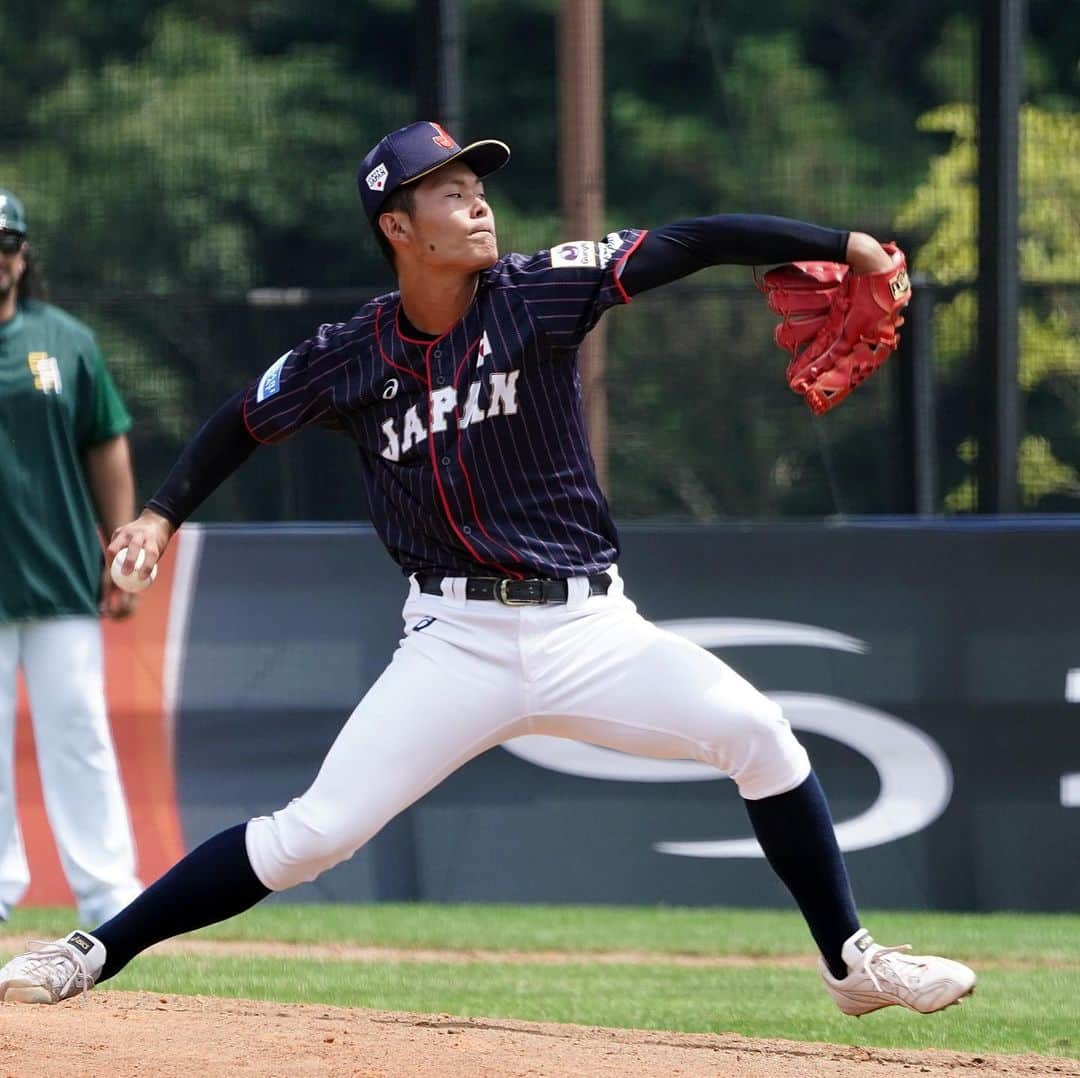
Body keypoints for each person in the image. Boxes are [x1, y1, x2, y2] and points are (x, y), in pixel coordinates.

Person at [0, 124, 975, 1016]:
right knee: (312, 835)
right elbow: (241, 420)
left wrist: (841, 242)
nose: (478, 201)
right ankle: (90, 950)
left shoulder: (541, 291)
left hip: (590, 629)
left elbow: (691, 240)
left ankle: (852, 964)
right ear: (398, 226)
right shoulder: (354, 354)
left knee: (759, 732)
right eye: (449, 190)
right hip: (454, 641)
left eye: (477, 183)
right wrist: (162, 514)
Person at [0, 188, 144, 926]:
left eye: (6, 243)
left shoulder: (66, 341)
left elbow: (106, 443)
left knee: (80, 737)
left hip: (59, 575)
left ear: (23, 256)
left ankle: (110, 896)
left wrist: (121, 548)